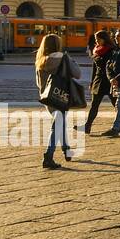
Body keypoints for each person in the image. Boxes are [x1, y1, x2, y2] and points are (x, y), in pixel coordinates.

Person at [34, 33, 78, 169]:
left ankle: (66, 149)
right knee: (57, 125)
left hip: (48, 98)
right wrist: (72, 62)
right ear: (58, 45)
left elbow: (38, 83)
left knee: (60, 123)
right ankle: (48, 156)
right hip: (62, 96)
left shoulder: (41, 60)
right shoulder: (63, 59)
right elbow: (78, 73)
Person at [83, 28, 117, 135]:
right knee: (94, 105)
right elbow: (94, 68)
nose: (96, 42)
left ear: (104, 39)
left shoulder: (111, 50)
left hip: (108, 80)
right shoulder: (97, 49)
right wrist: (92, 81)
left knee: (116, 104)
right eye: (96, 40)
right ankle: (87, 126)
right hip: (98, 80)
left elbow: (110, 66)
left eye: (98, 40)